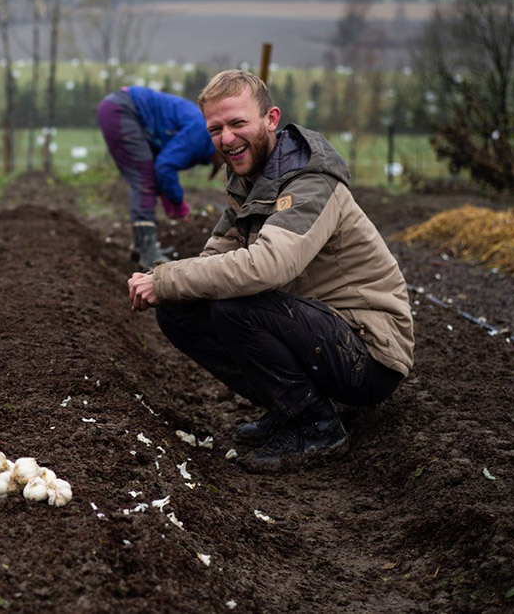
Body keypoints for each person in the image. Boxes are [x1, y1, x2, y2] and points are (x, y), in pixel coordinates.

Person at [127, 70, 414, 472]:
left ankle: (316, 425)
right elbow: (216, 254)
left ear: (271, 119)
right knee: (179, 309)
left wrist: (165, 278)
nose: (226, 139)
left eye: (237, 123)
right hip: (318, 332)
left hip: (368, 353)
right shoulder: (249, 180)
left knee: (234, 307)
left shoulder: (311, 181)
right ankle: (290, 407)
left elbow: (269, 267)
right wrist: (166, 282)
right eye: (215, 129)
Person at [97, 85, 219, 270]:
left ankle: (141, 246)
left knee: (146, 177)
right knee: (144, 181)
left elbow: (162, 165)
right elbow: (164, 167)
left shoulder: (203, 134)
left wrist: (171, 203)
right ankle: (147, 251)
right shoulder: (201, 134)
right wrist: (178, 206)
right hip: (122, 110)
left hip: (120, 108)